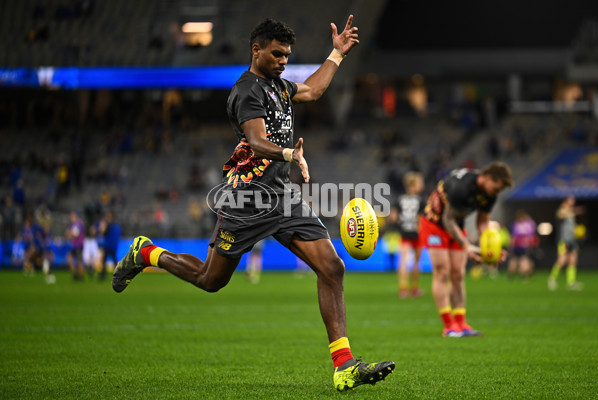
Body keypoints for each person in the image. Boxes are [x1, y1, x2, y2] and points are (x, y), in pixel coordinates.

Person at [112, 15, 394, 391]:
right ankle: (145, 253)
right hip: (247, 198)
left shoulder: (278, 86)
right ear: (256, 50)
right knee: (210, 280)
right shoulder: (247, 90)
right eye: (277, 54)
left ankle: (344, 366)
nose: (283, 61)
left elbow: (311, 91)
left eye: (287, 56)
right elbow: (258, 141)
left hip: (282, 197)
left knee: (332, 267)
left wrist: (336, 55)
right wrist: (291, 156)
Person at [420, 162, 513, 337]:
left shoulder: (489, 194)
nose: (496, 192)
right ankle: (448, 326)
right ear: (486, 178)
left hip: (457, 226)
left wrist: (489, 249)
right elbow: (448, 220)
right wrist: (466, 245)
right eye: (496, 188)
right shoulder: (461, 187)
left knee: (458, 273)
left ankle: (461, 323)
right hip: (434, 224)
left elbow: (483, 222)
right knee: (442, 271)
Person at [397, 172, 425, 298]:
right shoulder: (420, 200)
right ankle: (414, 288)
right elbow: (421, 219)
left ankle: (403, 289)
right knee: (416, 262)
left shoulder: (400, 200)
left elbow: (394, 217)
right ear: (414, 185)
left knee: (403, 261)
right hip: (417, 233)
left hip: (404, 232)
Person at [547, 196, 584, 291]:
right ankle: (552, 278)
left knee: (573, 260)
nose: (573, 201)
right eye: (571, 199)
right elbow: (561, 215)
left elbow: (572, 225)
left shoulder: (571, 213)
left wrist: (577, 230)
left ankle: (571, 283)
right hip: (564, 240)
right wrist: (572, 210)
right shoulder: (562, 210)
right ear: (566, 201)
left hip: (572, 240)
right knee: (562, 260)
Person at [508, 210, 537, 279]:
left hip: (516, 246)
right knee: (524, 260)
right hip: (524, 246)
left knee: (514, 260)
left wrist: (510, 245)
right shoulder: (528, 225)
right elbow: (531, 236)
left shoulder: (515, 224)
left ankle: (511, 275)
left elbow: (512, 238)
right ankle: (524, 275)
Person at [98, 211, 122, 281]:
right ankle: (118, 275)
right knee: (113, 261)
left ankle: (103, 275)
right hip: (113, 246)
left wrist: (102, 227)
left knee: (105, 261)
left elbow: (102, 233)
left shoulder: (108, 225)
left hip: (108, 246)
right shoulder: (117, 226)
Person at [66, 211, 86, 281]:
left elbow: (74, 234)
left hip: (78, 245)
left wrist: (70, 233)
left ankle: (80, 276)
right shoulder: (74, 224)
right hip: (74, 245)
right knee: (71, 258)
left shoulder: (78, 224)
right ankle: (76, 274)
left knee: (79, 261)